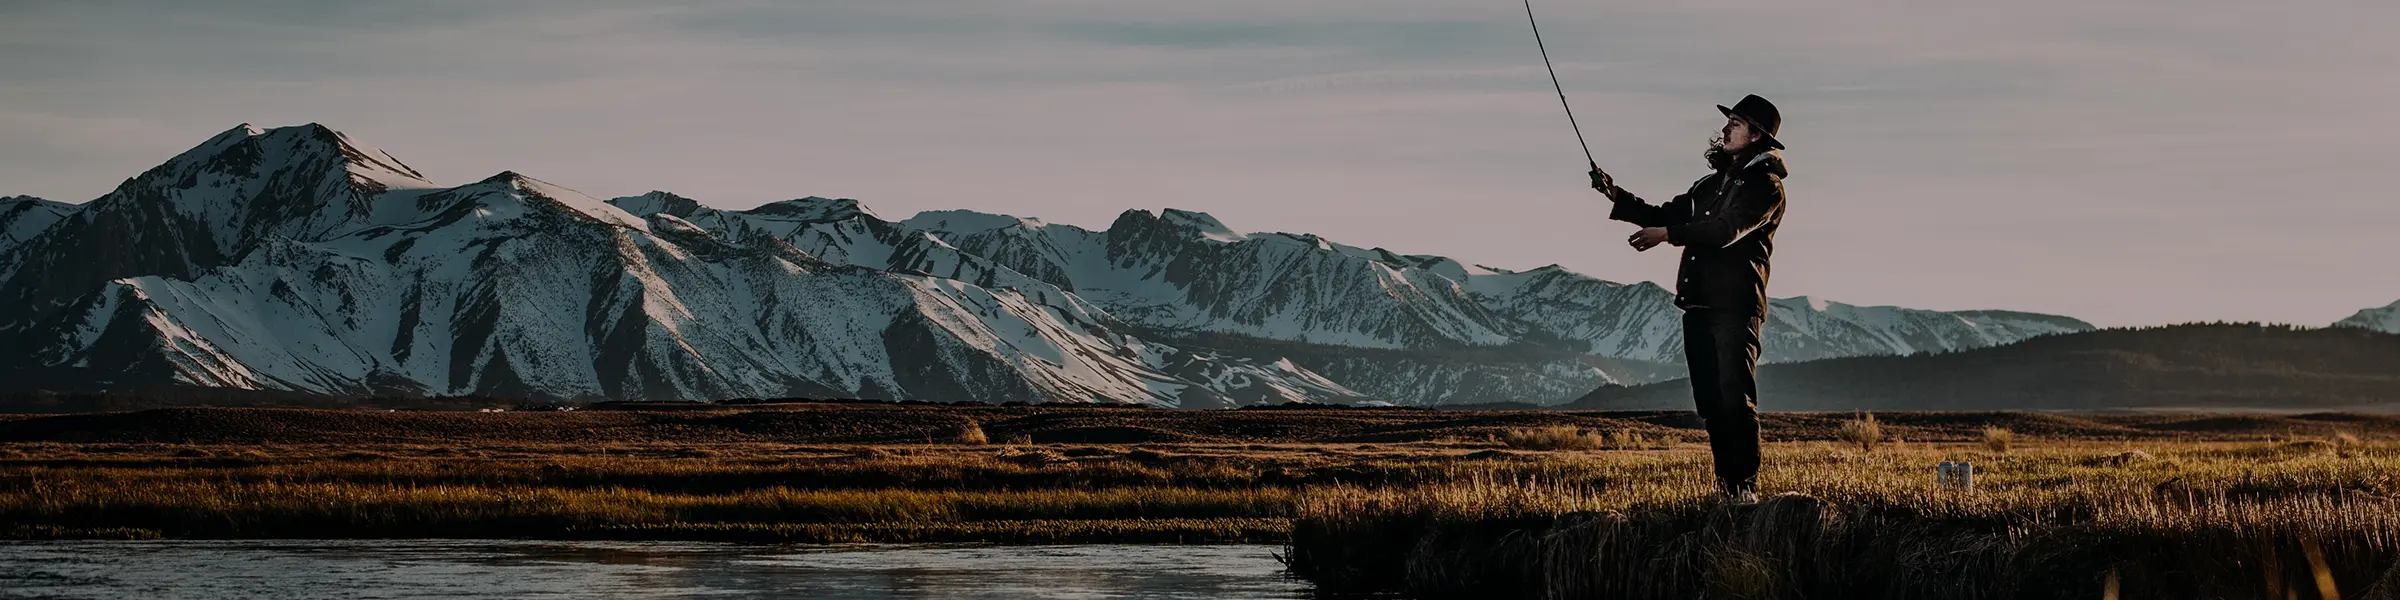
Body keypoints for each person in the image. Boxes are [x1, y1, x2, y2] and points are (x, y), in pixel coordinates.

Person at [1588, 94, 1789, 504]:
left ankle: (1745, 490)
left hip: (1736, 306)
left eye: (1735, 122)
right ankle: (1728, 489)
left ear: (1757, 136)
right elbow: (1668, 212)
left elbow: (1724, 231)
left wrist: (1668, 235)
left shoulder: (1767, 188)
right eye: (1728, 121)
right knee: (1711, 403)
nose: (1726, 129)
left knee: (1736, 397)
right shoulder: (1709, 184)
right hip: (1698, 303)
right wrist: (1615, 196)